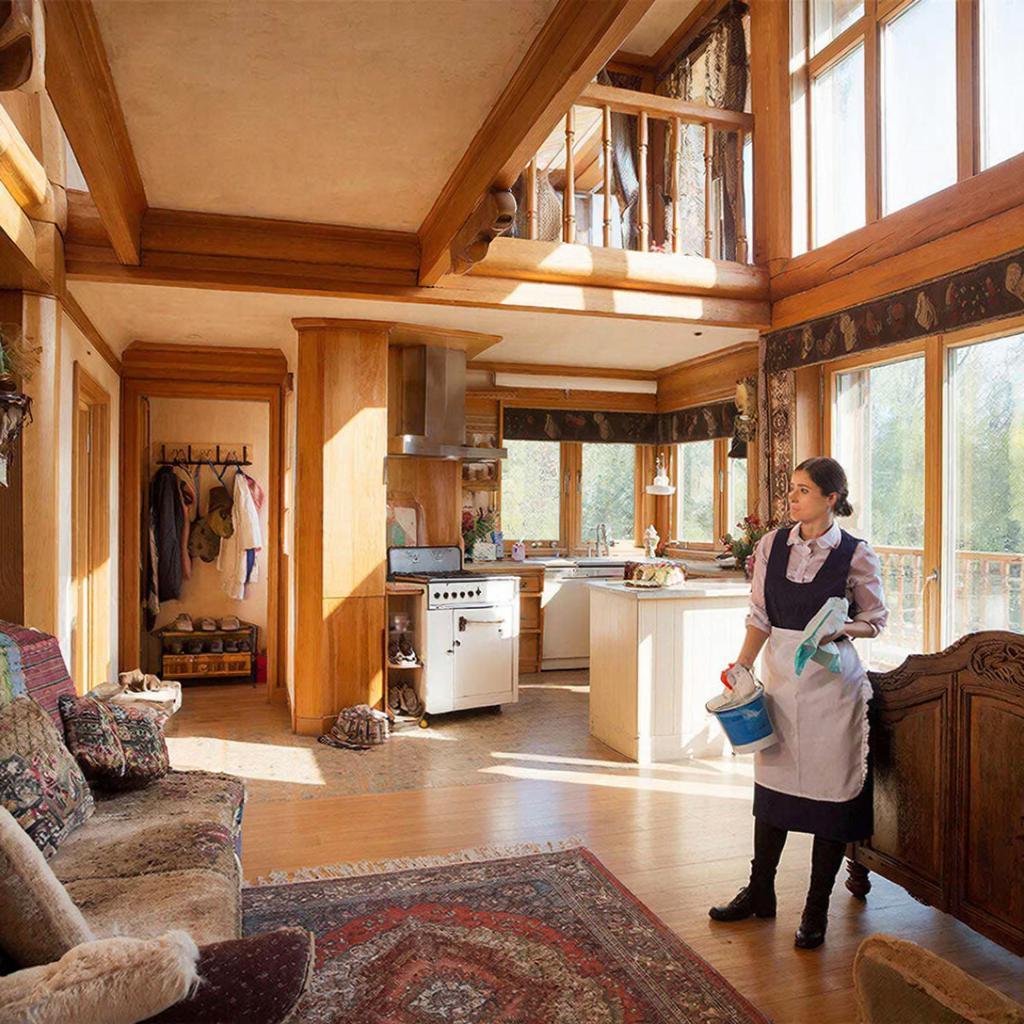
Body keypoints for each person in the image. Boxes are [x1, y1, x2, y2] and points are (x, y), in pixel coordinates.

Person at [709, 456, 888, 949]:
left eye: (804, 490)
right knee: (772, 788)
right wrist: (742, 667)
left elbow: (875, 620)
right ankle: (760, 892)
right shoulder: (772, 545)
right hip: (781, 683)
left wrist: (840, 629)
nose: (792, 497)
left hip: (833, 688)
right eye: (792, 488)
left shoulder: (855, 554)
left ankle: (815, 910)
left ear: (832, 498)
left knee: (831, 794)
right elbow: (759, 616)